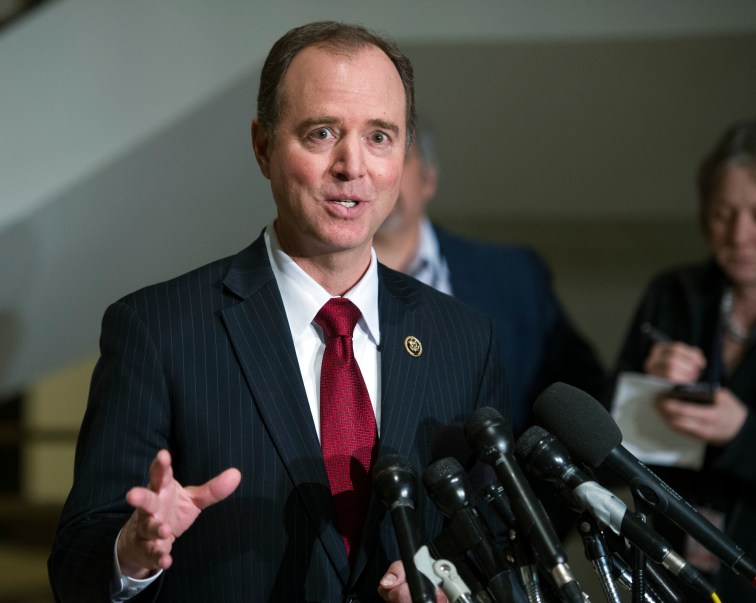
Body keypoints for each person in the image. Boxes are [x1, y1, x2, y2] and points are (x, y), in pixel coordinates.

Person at [48, 21, 508, 603]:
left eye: (380, 137)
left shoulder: (464, 340)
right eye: (321, 133)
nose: (353, 166)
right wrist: (134, 553)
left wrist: (455, 587)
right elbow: (75, 567)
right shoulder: (157, 331)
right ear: (263, 146)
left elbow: (493, 545)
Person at [373, 117, 607, 540]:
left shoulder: (513, 277)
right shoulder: (314, 290)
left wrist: (539, 525)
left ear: (428, 178)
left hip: (498, 551)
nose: (380, 170)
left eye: (395, 153)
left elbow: (577, 407)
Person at [610, 116, 756, 602]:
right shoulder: (674, 294)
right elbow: (606, 443)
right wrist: (643, 394)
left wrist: (742, 434)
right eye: (722, 214)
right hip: (669, 574)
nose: (739, 236)